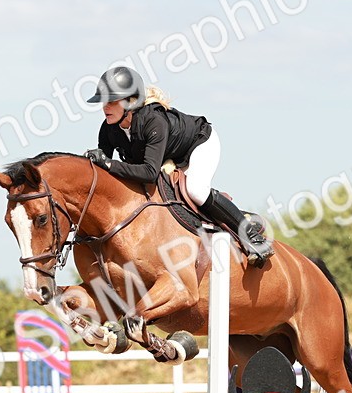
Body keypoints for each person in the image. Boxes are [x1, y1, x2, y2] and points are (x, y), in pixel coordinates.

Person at [83, 66, 275, 267]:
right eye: (104, 101)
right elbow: (106, 170)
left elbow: (148, 172)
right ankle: (235, 214)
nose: (105, 107)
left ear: (131, 102)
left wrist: (106, 162)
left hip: (198, 144)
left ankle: (253, 237)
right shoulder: (109, 128)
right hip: (166, 155)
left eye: (112, 101)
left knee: (196, 191)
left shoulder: (153, 121)